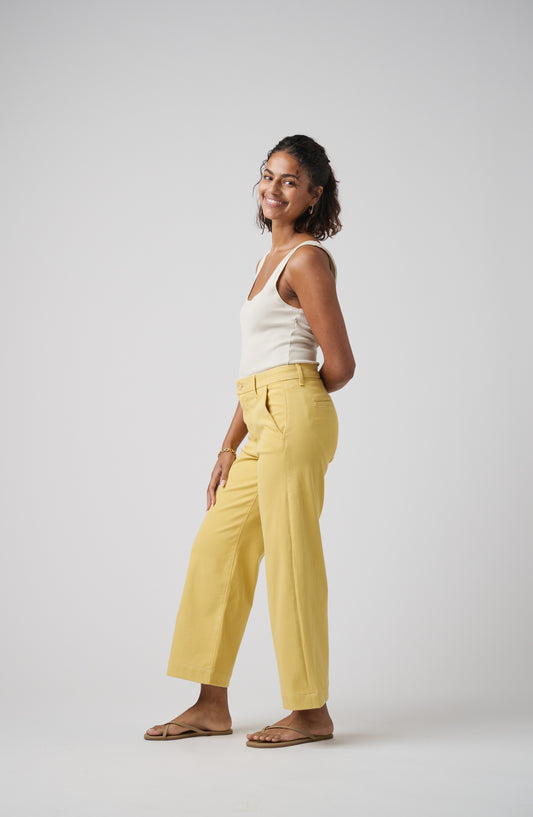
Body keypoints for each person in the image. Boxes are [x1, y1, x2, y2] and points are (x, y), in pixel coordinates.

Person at [144, 134, 356, 748]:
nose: (273, 188)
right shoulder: (269, 260)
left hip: (293, 415)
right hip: (262, 416)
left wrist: (293, 398)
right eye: (268, 175)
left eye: (290, 180)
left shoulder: (307, 260)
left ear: (314, 195)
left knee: (291, 559)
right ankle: (210, 705)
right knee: (218, 547)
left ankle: (311, 712)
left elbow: (339, 365)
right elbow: (257, 366)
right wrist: (228, 446)